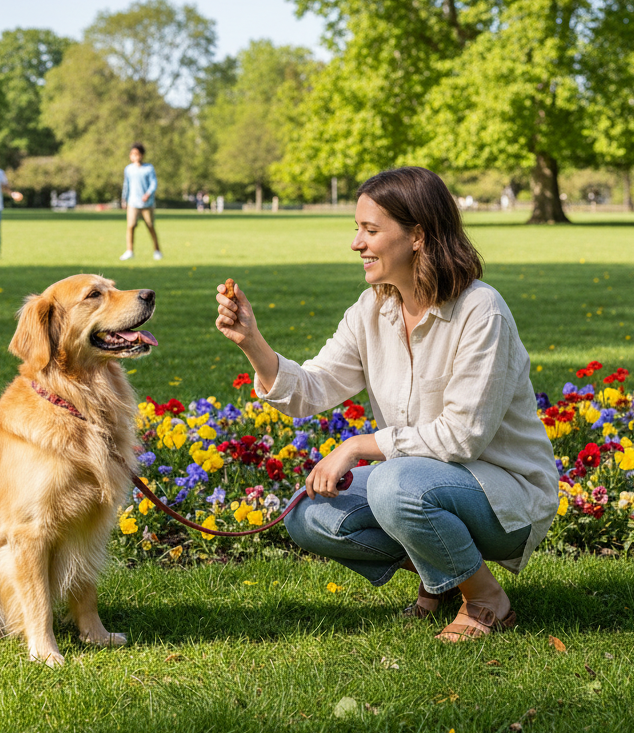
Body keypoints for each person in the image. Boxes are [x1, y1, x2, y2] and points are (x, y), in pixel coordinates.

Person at [215, 167, 558, 641]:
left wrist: (358, 445)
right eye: (356, 229)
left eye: (370, 230)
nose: (357, 243)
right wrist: (252, 341)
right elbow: (313, 387)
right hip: (421, 481)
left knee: (396, 484)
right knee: (308, 512)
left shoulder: (482, 311)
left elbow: (462, 437)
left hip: (504, 496)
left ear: (417, 235)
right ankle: (438, 575)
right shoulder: (373, 308)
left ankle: (486, 599)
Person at [119, 143, 162, 261]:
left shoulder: (148, 168)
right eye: (132, 154)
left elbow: (154, 183)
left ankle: (157, 250)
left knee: (150, 226)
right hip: (132, 203)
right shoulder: (128, 169)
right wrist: (124, 199)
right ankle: (129, 250)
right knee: (130, 226)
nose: (134, 156)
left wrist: (148, 194)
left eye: (137, 154)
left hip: (147, 204)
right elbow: (126, 185)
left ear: (142, 155)